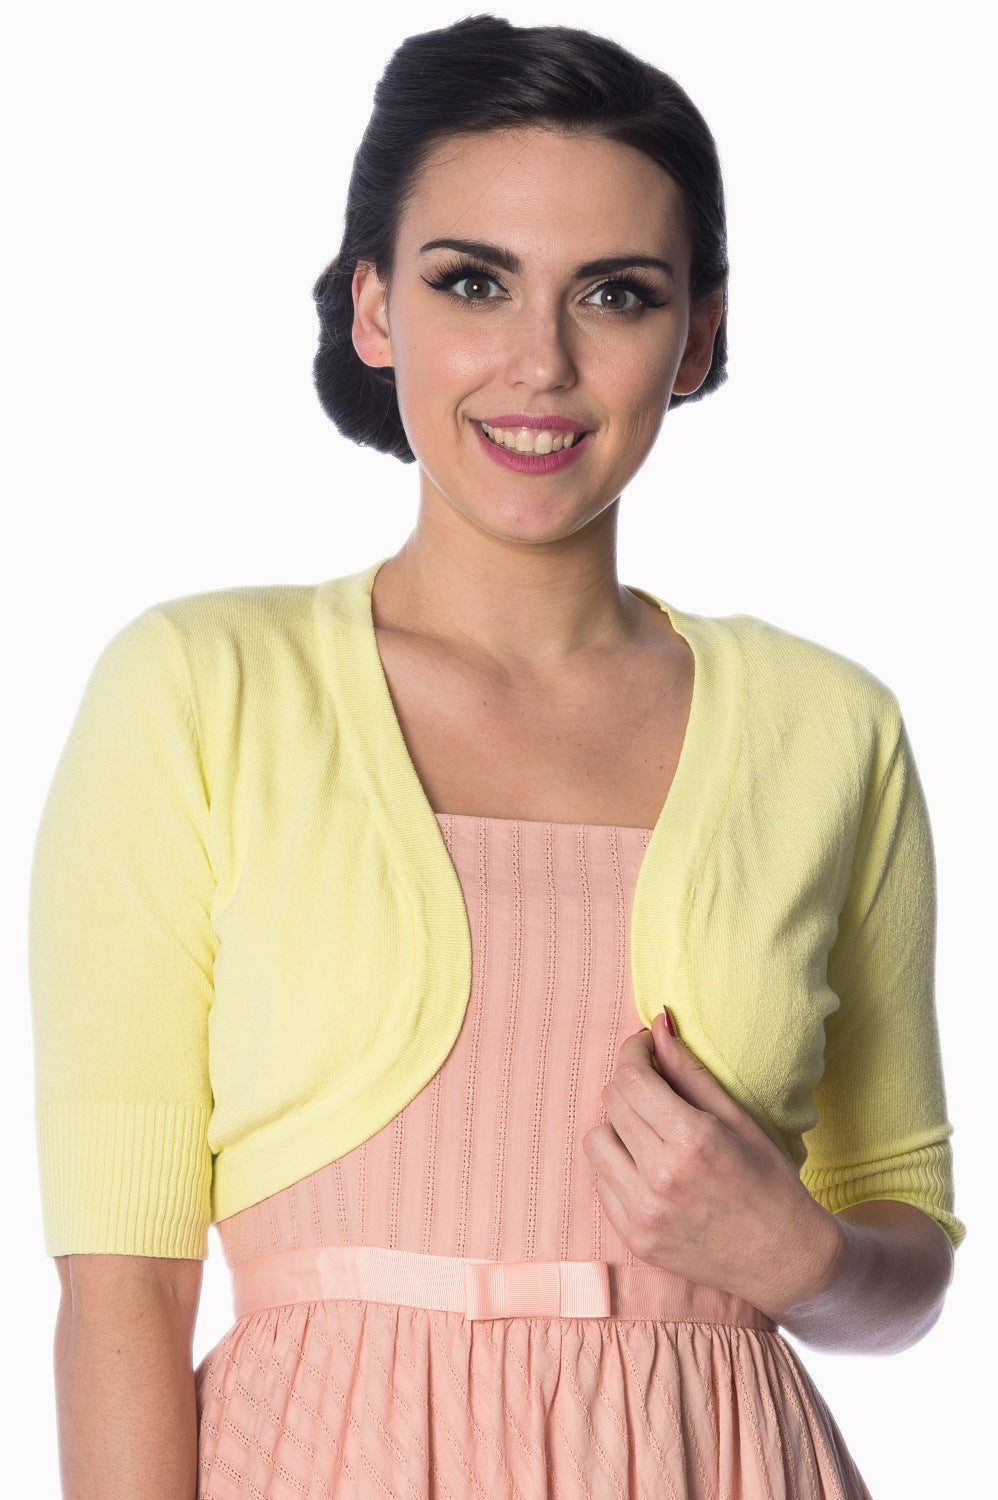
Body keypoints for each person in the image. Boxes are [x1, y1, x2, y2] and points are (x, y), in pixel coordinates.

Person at [31, 15, 962, 1499]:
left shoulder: (830, 726)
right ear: (373, 307)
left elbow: (904, 1255)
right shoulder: (201, 689)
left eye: (616, 293)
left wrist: (802, 1257)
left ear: (696, 337)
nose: (541, 362)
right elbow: (122, 1294)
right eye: (473, 282)